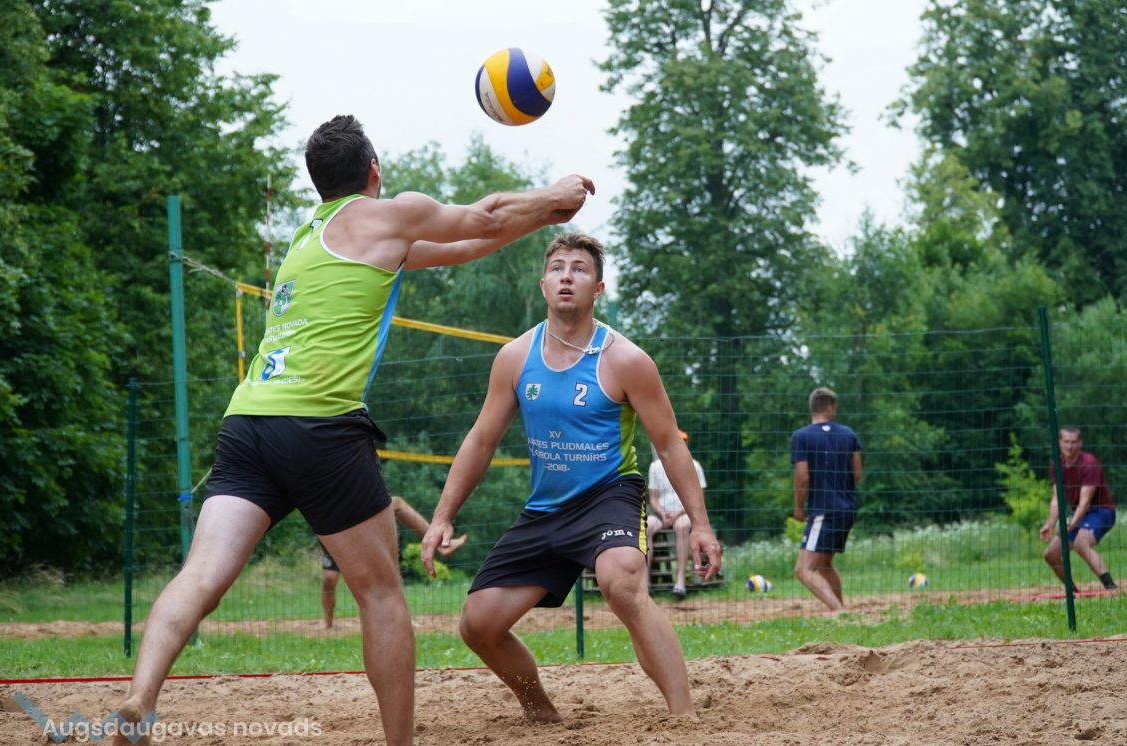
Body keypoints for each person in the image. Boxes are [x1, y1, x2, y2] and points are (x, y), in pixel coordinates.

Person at [108, 114, 594, 746]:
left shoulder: (308, 237)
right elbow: (484, 214)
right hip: (321, 428)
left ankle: (141, 697)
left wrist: (543, 217)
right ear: (373, 171)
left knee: (200, 576)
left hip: (248, 422)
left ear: (318, 181)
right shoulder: (390, 215)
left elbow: (471, 242)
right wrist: (553, 194)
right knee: (382, 596)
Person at [420, 233, 723, 722]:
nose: (567, 276)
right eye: (557, 267)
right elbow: (481, 440)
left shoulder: (625, 359)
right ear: (543, 284)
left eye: (579, 269)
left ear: (598, 288)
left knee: (620, 580)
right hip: (546, 508)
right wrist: (441, 516)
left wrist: (701, 525)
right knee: (478, 624)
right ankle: (540, 710)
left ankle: (683, 717)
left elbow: (669, 444)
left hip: (609, 495)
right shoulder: (515, 357)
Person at [320, 495, 467, 629]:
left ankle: (438, 542)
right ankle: (328, 625)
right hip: (334, 524)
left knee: (396, 503)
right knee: (329, 578)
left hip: (357, 520)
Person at [791, 387, 862, 613]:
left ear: (813, 407)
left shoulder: (801, 436)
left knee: (803, 569)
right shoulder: (848, 434)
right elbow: (857, 474)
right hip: (848, 509)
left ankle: (839, 611)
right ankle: (841, 609)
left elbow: (802, 477)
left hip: (824, 510)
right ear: (830, 407)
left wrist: (799, 508)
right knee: (824, 564)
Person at [1040, 426, 1118, 591]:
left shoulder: (1089, 463)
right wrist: (1050, 524)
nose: (1069, 446)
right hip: (1081, 516)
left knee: (1081, 543)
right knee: (1051, 555)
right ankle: (1073, 593)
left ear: (1080, 443)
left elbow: (1085, 502)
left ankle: (1111, 588)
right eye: (1066, 442)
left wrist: (1071, 525)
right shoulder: (1057, 465)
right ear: (1059, 442)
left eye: (1073, 442)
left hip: (1101, 511)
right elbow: (1057, 498)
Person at [646, 431, 707, 597]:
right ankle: (644, 582)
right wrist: (662, 512)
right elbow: (653, 498)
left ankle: (680, 582)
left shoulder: (695, 466)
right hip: (662, 513)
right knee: (646, 526)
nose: (681, 444)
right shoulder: (655, 467)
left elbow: (699, 498)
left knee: (681, 527)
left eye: (684, 441)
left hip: (685, 512)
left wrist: (677, 513)